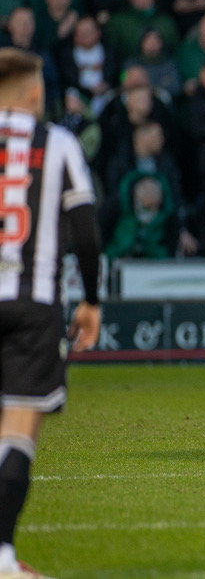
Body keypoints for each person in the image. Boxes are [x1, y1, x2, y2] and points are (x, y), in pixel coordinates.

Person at [0, 48, 102, 579]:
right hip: (33, 305)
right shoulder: (57, 141)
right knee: (18, 431)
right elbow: (84, 230)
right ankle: (3, 557)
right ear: (35, 91)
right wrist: (91, 299)